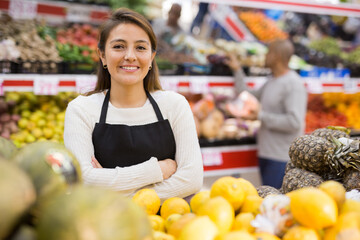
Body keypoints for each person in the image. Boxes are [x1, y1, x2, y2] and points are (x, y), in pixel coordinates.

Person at [63, 8, 203, 201]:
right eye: (119, 46)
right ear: (102, 55)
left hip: (169, 224)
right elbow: (84, 180)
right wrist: (158, 170)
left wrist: (112, 189)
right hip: (106, 227)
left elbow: (192, 180)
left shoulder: (175, 105)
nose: (130, 55)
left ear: (152, 57)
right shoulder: (81, 110)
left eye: (140, 47)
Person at [225, 39, 307, 189]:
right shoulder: (272, 81)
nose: (265, 56)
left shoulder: (293, 85)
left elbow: (294, 122)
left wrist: (261, 116)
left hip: (282, 158)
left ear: (276, 56)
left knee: (273, 199)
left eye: (268, 53)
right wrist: (237, 70)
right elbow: (248, 95)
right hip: (267, 153)